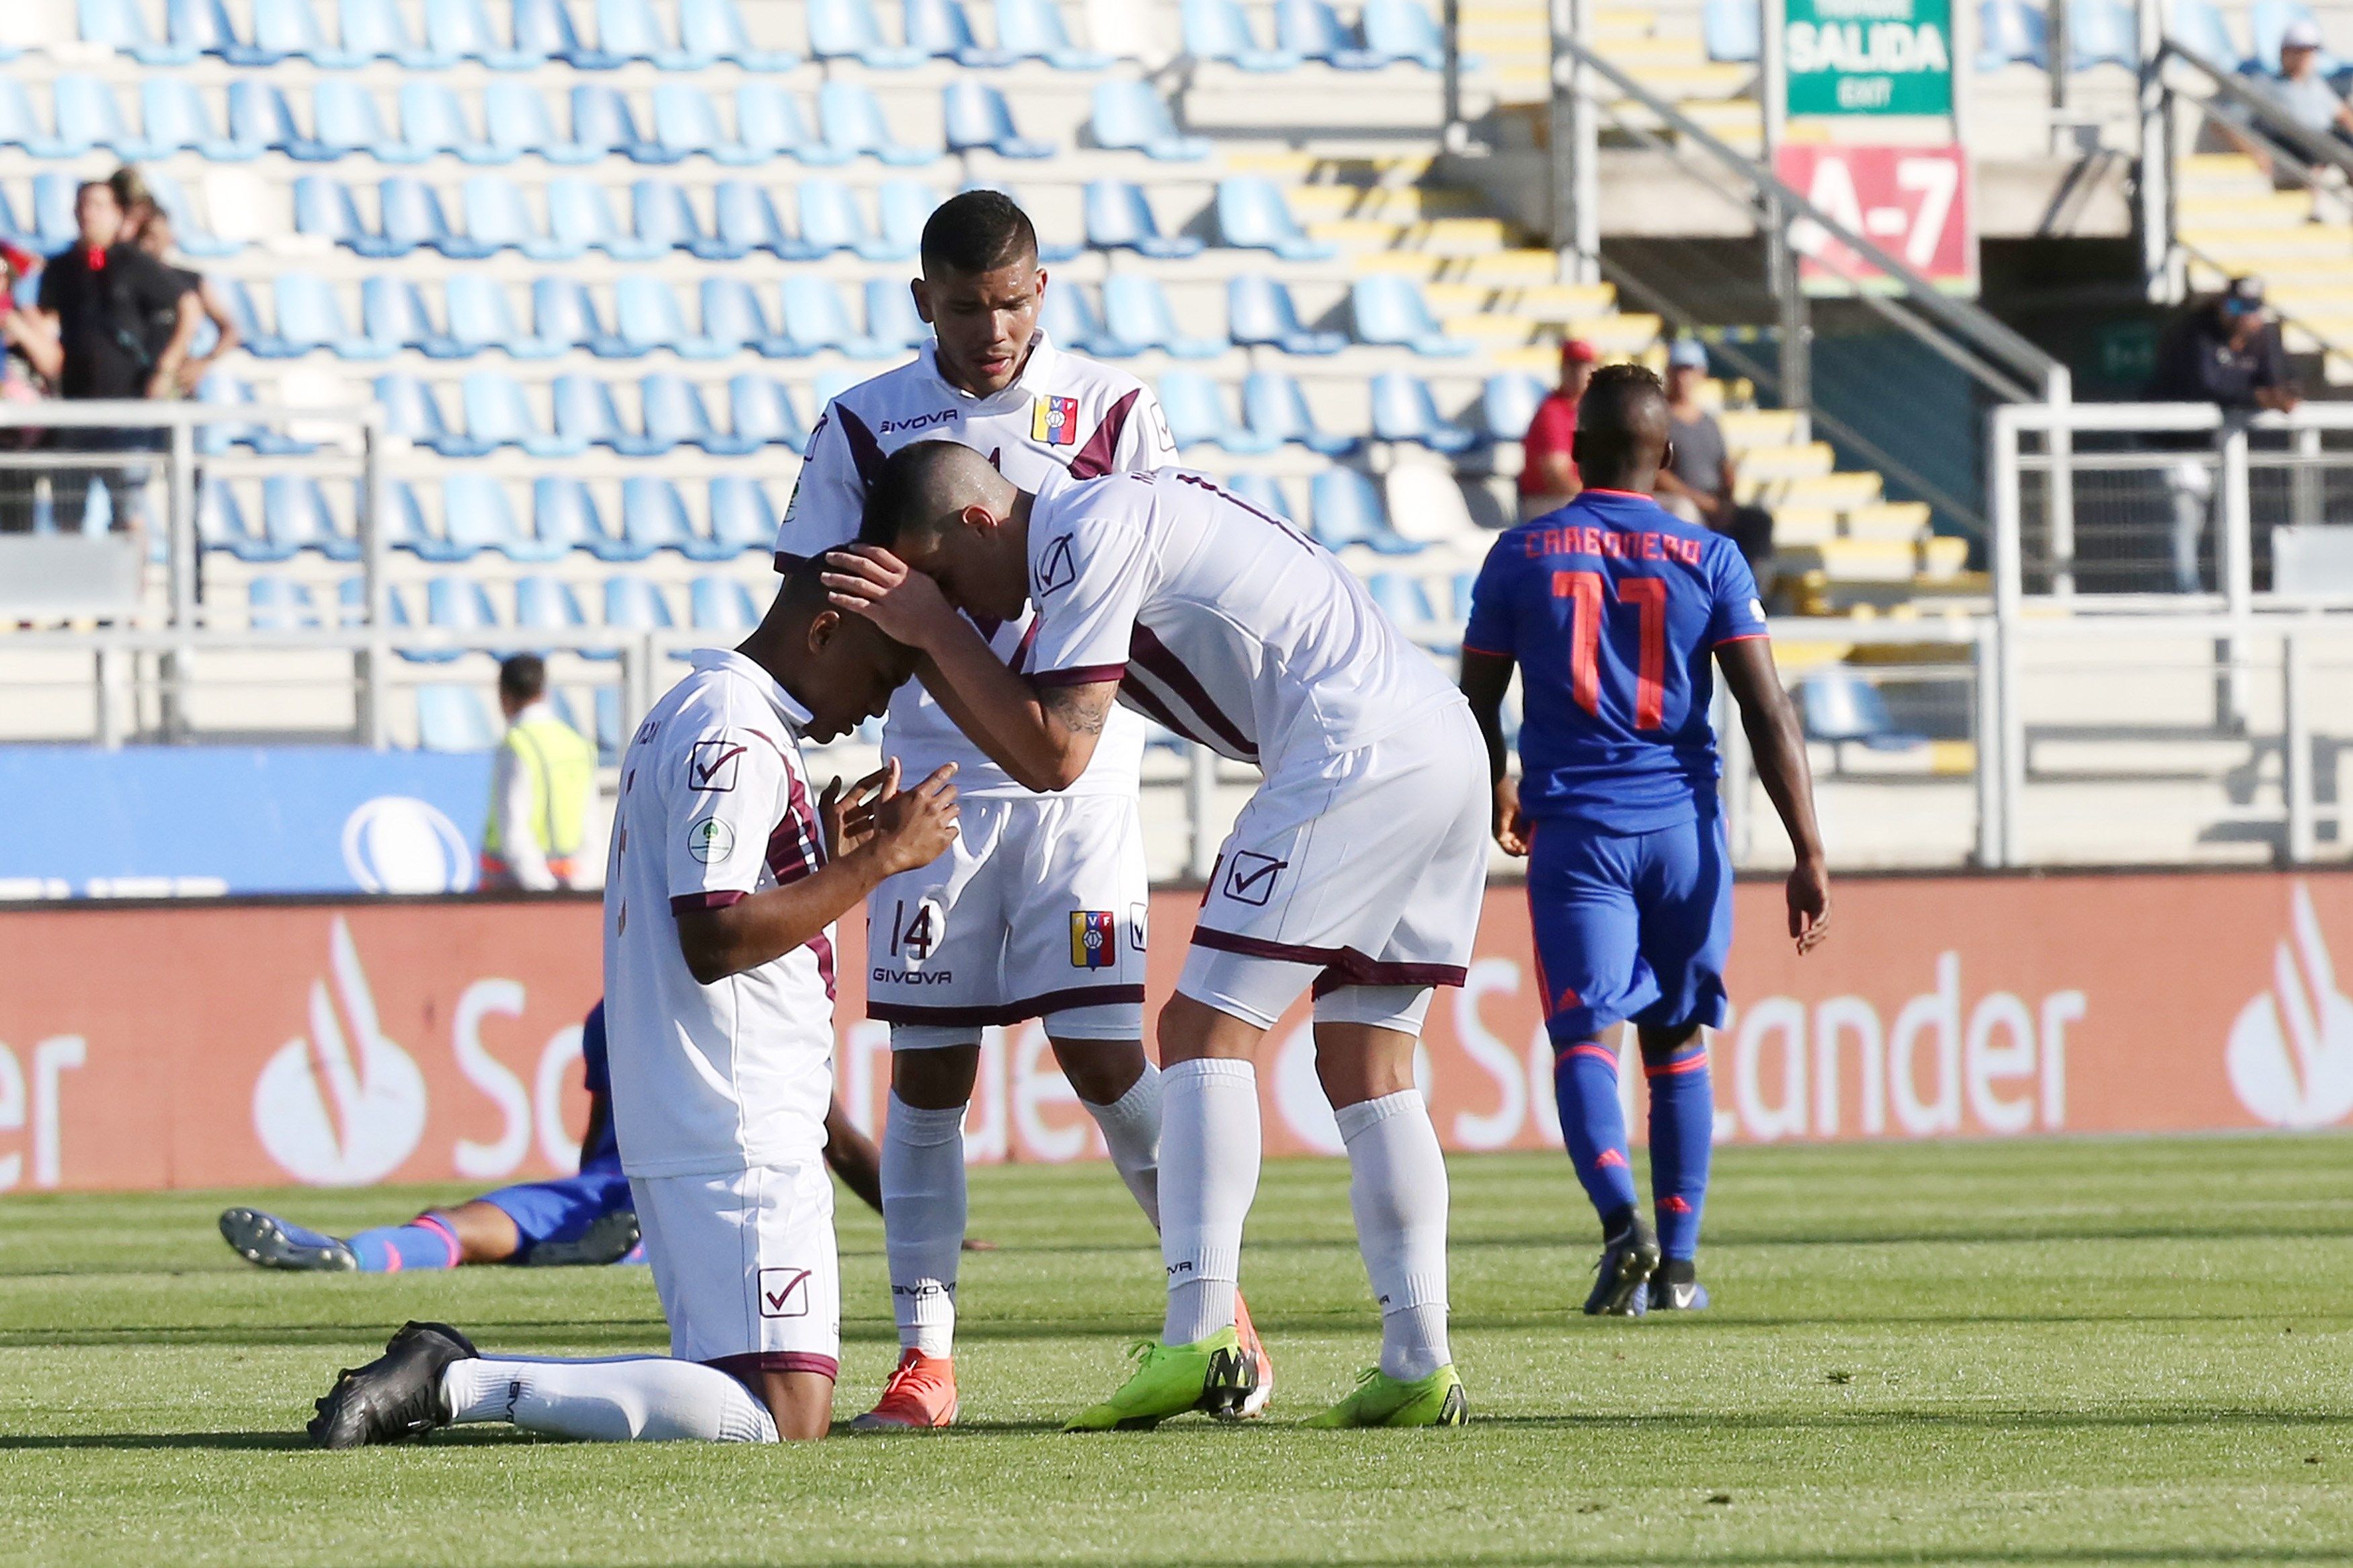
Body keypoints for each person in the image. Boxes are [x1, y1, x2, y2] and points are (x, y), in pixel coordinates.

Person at [832, 443, 1490, 1431]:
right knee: (1366, 1059)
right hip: (1441, 739)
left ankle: (1202, 1333)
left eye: (947, 581)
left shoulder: (1081, 535)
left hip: (1349, 752)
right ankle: (1418, 1358)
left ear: (977, 524)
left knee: (1199, 1035)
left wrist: (928, 624)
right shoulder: (1114, 511)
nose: (957, 607)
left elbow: (1055, 752)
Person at [770, 189, 1259, 1431]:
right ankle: (925, 1357)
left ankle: (1216, 1309)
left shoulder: (1114, 411)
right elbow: (812, 611)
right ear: (921, 299)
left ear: (1042, 291)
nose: (993, 329)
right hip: (935, 770)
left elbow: (1163, 574)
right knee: (929, 1074)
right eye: (968, 305)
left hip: (1077, 778)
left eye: (1013, 301)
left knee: (1104, 1056)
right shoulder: (864, 421)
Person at [304, 558, 959, 1448]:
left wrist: (826, 858)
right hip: (736, 1120)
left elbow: (718, 900)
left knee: (735, 1402)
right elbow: (714, 932)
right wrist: (874, 865)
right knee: (784, 1418)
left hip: (701, 1112)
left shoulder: (692, 710)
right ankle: (453, 1378)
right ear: (823, 631)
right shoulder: (735, 731)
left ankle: (454, 1377)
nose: (874, 706)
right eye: (881, 674)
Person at [1456, 364, 1830, 1317]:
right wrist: (1808, 848)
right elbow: (1766, 707)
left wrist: (1496, 779)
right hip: (1684, 833)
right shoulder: (1711, 558)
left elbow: (1474, 703)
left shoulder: (1520, 553)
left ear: (1575, 453)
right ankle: (1683, 1267)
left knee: (1586, 1033)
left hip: (1577, 830)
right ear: (1667, 458)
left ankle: (1624, 1229)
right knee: (1676, 1040)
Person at [219, 1002, 912, 1273]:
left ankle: (358, 1253)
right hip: (691, 1182)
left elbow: (596, 1131)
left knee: (471, 1224)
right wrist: (920, 1230)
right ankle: (614, 1248)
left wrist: (581, 1193)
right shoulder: (760, 1005)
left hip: (600, 1178)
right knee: (663, 1226)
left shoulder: (614, 1007)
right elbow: (841, 1141)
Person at [24, 181, 196, 534]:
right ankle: (73, 590)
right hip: (74, 413)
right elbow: (48, 325)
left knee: (128, 514)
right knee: (67, 515)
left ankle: (132, 589)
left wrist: (167, 366)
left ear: (118, 215)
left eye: (100, 206)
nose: (90, 214)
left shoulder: (134, 263)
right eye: (85, 205)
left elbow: (188, 306)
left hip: (126, 414)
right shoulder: (61, 268)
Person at [2145, 276, 2299, 593]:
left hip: (2224, 445)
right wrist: (2258, 397)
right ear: (2222, 305)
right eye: (2235, 307)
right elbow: (2207, 385)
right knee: (2185, 516)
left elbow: (2273, 381)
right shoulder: (2195, 331)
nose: (2243, 316)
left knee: (2231, 518)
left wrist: (2278, 394)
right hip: (2174, 443)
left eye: (2251, 309)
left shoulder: (2264, 336)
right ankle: (2186, 594)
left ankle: (2234, 592)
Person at [1652, 338, 1774, 575]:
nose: (1683, 377)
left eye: (1689, 370)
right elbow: (1658, 473)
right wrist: (1702, 502)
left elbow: (1723, 464)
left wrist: (1726, 496)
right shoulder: (1659, 418)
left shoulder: (1709, 422)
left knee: (1758, 522)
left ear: (1701, 374)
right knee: (1684, 513)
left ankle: (1750, 589)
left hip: (1714, 503)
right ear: (1668, 372)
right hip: (1680, 503)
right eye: (1678, 369)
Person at [480, 654, 598, 892]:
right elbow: (592, 823)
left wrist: (540, 886)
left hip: (514, 884)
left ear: (504, 696)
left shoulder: (517, 744)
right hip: (572, 876)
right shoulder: (577, 744)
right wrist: (584, 880)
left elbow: (513, 827)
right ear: (544, 691)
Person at [130, 204, 241, 395]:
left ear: (170, 238)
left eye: (154, 237)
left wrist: (203, 363)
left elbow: (231, 331)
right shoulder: (120, 280)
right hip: (127, 381)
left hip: (171, 384)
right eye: (143, 236)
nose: (147, 244)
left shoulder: (187, 281)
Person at [1519, 337, 1597, 519]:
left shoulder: (1593, 409)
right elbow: (1557, 478)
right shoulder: (1552, 411)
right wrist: (1599, 499)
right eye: (1573, 365)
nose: (1579, 373)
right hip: (1547, 501)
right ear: (1563, 368)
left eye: (1584, 365)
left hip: (1577, 499)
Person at [2262, 19, 2353, 142]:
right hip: (2297, 148)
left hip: (2328, 143)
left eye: (2310, 52)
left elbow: (2343, 114)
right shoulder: (2267, 86)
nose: (2305, 58)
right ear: (2284, 52)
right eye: (2299, 52)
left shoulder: (2315, 83)